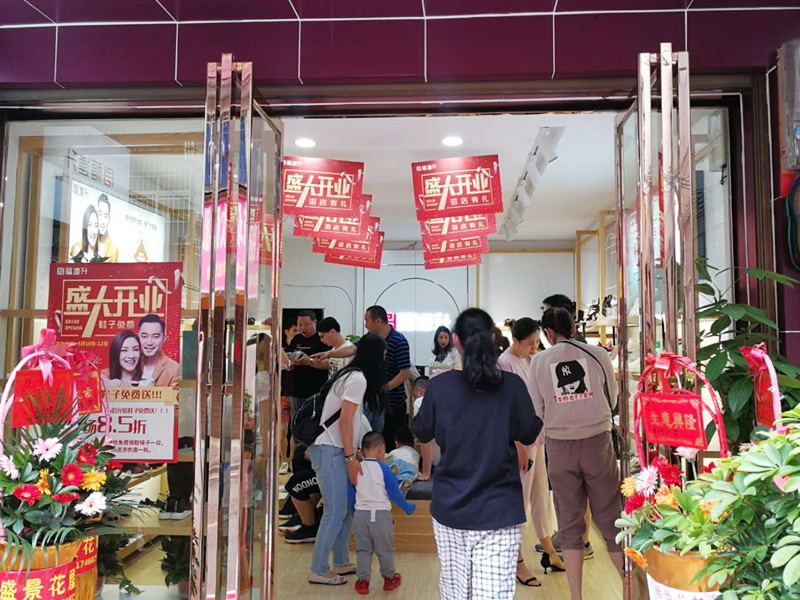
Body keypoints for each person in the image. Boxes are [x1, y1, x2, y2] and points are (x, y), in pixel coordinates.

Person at [413, 308, 543, 600]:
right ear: (494, 338)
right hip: (500, 508)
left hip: (451, 506)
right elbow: (529, 432)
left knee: (456, 591)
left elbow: (422, 430)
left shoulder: (439, 387)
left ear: (456, 340)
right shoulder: (511, 386)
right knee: (493, 594)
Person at [528, 308, 623, 600]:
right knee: (611, 518)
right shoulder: (599, 354)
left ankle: (576, 596)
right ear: (573, 327)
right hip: (598, 443)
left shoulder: (539, 362)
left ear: (547, 333)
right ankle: (632, 590)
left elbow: (536, 410)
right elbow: (613, 399)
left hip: (560, 447)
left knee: (569, 522)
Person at [308, 333, 387, 586]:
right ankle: (318, 569)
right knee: (335, 511)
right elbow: (344, 421)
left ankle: (341, 561)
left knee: (345, 509)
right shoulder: (357, 379)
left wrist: (353, 452)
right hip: (330, 450)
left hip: (335, 449)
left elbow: (348, 422)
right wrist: (351, 457)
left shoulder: (351, 375)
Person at [497, 318, 566, 587]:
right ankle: (516, 562)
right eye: (529, 343)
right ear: (515, 340)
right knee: (521, 501)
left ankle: (549, 551)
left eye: (537, 342)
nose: (534, 347)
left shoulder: (530, 360)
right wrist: (517, 444)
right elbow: (505, 409)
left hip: (536, 436)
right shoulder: (505, 364)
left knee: (540, 497)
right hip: (521, 441)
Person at [314, 306, 411, 450]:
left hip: (392, 401)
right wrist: (328, 354)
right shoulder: (368, 339)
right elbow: (351, 349)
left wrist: (383, 389)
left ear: (378, 321)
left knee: (388, 441)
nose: (365, 325)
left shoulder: (399, 341)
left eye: (367, 321)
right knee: (369, 439)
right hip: (370, 398)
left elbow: (405, 373)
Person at [349, 431, 416, 595]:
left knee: (363, 549)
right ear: (381, 448)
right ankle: (389, 579)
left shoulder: (356, 468)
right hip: (381, 516)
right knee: (385, 550)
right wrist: (408, 508)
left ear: (362, 450)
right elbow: (395, 494)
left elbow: (350, 494)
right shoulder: (385, 469)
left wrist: (353, 513)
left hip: (360, 516)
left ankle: (362, 582)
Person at [287, 311, 330, 426]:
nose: (302, 328)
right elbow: (289, 358)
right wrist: (289, 364)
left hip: (316, 390)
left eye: (306, 325)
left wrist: (309, 361)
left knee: (313, 424)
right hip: (296, 390)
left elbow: (329, 363)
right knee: (296, 423)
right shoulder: (296, 340)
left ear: (315, 322)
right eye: (300, 325)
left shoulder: (322, 340)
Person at [138, 314, 180, 391]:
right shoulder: (129, 362)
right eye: (144, 336)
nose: (149, 342)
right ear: (138, 337)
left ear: (164, 339)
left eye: (155, 336)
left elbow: (174, 397)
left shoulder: (175, 369)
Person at [279, 323, 299, 477]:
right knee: (282, 429)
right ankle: (283, 460)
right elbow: (287, 365)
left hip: (295, 393)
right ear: (286, 331)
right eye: (294, 330)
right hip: (281, 393)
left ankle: (292, 459)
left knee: (295, 429)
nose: (297, 333)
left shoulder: (299, 349)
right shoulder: (281, 349)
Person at [411, 376, 439, 481]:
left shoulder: (421, 401)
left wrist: (426, 473)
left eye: (414, 396)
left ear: (420, 391)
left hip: (440, 464)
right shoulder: (445, 400)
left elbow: (425, 437)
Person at [385, 426, 419, 495]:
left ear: (396, 443)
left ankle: (392, 472)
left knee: (390, 466)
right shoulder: (416, 454)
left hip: (396, 464)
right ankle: (404, 483)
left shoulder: (394, 451)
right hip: (410, 466)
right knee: (411, 474)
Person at [96, 194, 119, 263]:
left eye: (105, 216)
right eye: (100, 214)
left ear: (109, 219)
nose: (102, 221)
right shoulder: (88, 241)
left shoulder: (113, 250)